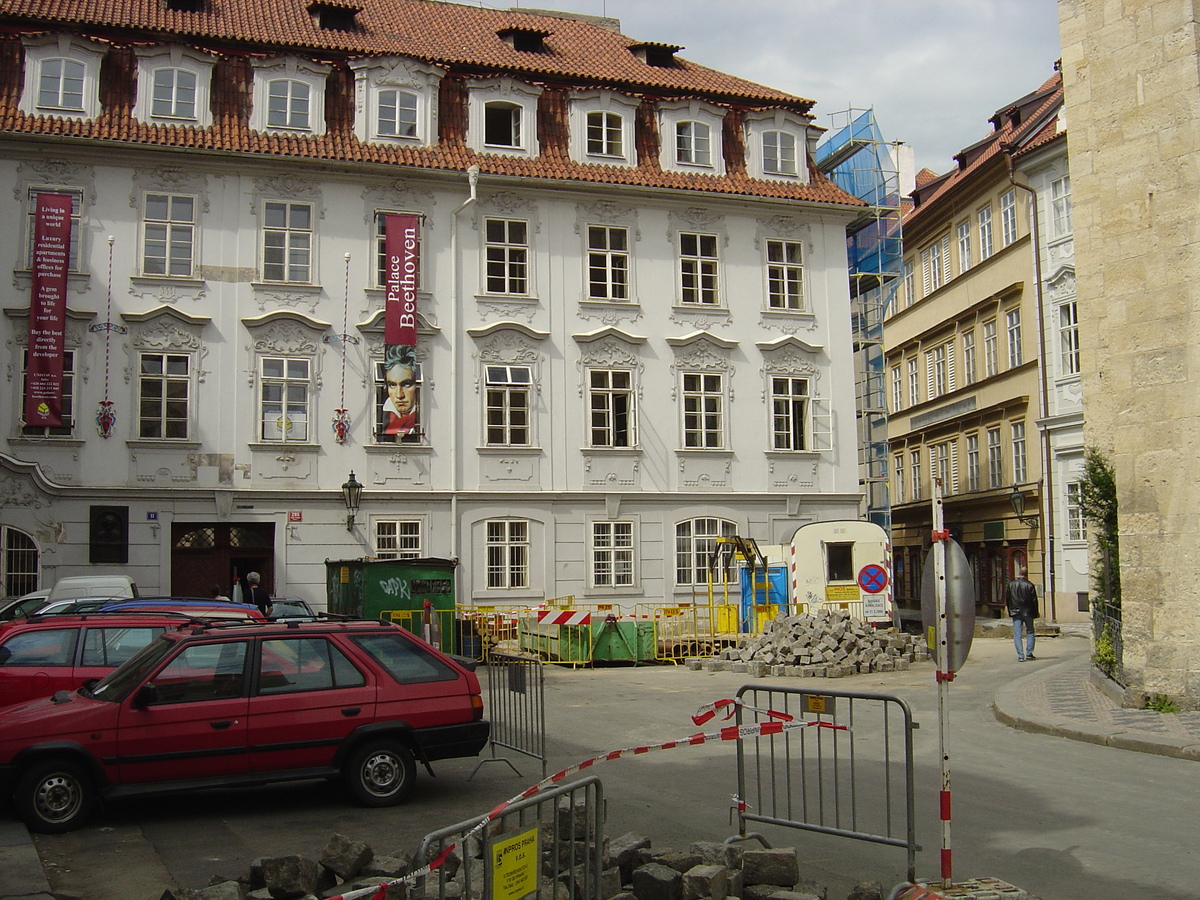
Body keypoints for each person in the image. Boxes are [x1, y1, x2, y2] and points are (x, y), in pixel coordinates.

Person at [381, 345, 419, 439]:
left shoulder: (423, 417)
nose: (399, 395)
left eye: (406, 384)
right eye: (392, 385)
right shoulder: (385, 417)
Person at [1006, 565, 1039, 661]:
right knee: (1030, 631)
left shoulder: (1011, 585)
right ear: (1026, 575)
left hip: (1015, 611)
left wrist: (1010, 611)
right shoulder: (1030, 585)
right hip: (1028, 612)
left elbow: (1008, 599)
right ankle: (1029, 653)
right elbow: (1034, 601)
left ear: (1018, 573)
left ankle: (1020, 655)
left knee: (1017, 634)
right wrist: (1036, 612)